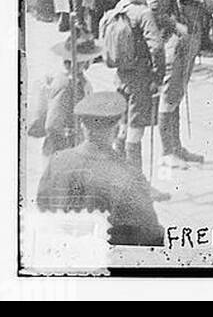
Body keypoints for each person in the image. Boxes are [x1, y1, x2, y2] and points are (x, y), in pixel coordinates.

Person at [36, 92, 164, 247]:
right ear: (117, 129)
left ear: (83, 126)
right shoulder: (128, 174)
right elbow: (151, 236)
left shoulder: (57, 161)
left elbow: (42, 207)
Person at [98, 0, 165, 177]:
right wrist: (158, 76)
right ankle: (137, 185)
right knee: (136, 130)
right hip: (140, 78)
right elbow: (156, 47)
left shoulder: (116, 10)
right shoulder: (143, 13)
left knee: (124, 125)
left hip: (120, 77)